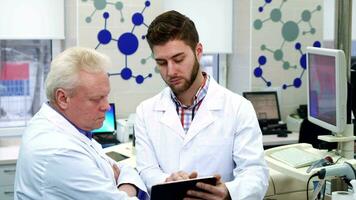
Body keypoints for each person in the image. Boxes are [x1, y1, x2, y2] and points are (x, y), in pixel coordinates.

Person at [135, 10, 269, 200]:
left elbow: (255, 173)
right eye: (162, 62)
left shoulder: (238, 108)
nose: (171, 71)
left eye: (178, 59)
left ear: (198, 52)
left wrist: (229, 193)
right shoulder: (145, 112)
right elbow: (145, 170)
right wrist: (168, 180)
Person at [14, 47, 148, 200]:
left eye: (106, 96)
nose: (106, 106)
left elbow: (123, 168)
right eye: (96, 99)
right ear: (63, 98)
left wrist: (119, 184)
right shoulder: (59, 152)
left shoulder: (69, 128)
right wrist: (128, 188)